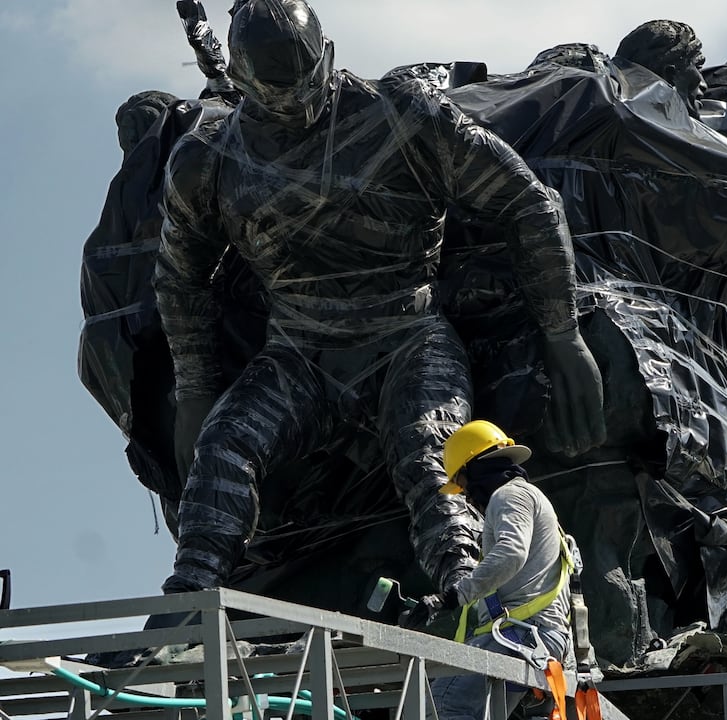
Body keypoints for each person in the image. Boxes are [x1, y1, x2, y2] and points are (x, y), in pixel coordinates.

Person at [154, 0, 604, 600]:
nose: (294, 108)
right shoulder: (207, 162)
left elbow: (526, 202)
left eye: (303, 85)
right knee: (224, 446)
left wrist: (562, 332)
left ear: (330, 57)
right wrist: (195, 392)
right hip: (299, 355)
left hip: (407, 338)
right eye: (274, 94)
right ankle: (189, 605)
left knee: (432, 453)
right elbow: (179, 277)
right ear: (238, 81)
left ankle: (464, 596)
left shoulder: (404, 118)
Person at [404, 420, 573, 720]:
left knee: (441, 704)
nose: (468, 498)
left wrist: (451, 597)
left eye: (465, 484)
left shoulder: (508, 496)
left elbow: (510, 554)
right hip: (532, 637)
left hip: (521, 636)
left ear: (475, 470)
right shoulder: (527, 498)